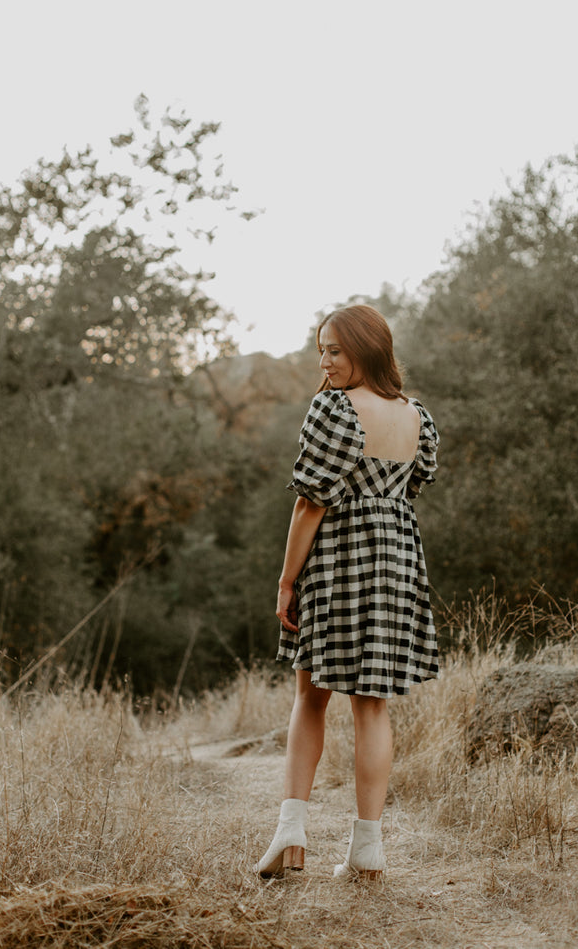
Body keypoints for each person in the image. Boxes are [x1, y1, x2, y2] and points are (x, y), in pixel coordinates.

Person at [254, 304, 439, 879]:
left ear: (367, 348)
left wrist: (287, 581)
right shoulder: (416, 416)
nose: (325, 361)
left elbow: (311, 501)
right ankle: (366, 851)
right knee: (372, 705)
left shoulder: (333, 408)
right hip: (397, 561)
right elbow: (411, 487)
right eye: (321, 349)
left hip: (339, 557)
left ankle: (291, 833)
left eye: (336, 349)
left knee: (311, 694)